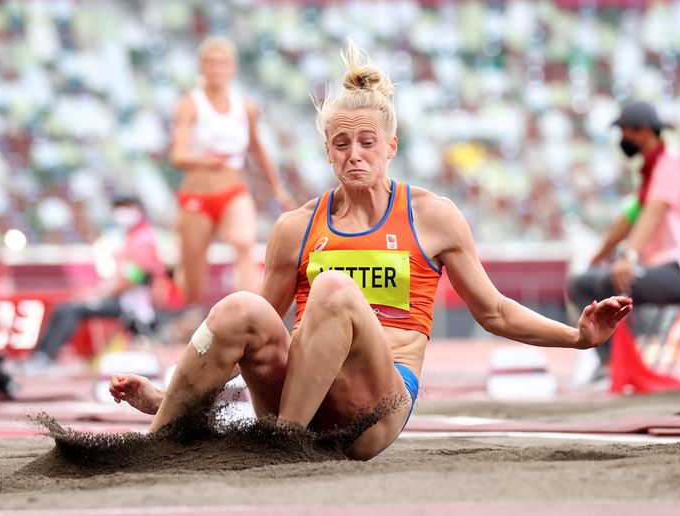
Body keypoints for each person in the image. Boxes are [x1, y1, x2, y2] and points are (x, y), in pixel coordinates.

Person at [111, 41, 632, 460]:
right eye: (341, 144)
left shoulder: (432, 216)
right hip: (300, 398)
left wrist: (578, 339)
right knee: (239, 307)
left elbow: (494, 312)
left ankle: (280, 447)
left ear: (391, 146)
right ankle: (161, 433)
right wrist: (176, 393)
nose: (354, 155)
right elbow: (253, 342)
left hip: (374, 409)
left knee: (335, 289)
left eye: (366, 142)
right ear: (327, 152)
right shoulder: (296, 227)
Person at [568, 100, 680, 370]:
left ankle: (622, 366)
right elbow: (627, 221)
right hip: (659, 269)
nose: (622, 139)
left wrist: (628, 256)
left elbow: (653, 211)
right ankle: (611, 365)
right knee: (582, 283)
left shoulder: (672, 164)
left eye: (625, 131)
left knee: (608, 282)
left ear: (644, 131)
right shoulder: (649, 173)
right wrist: (597, 257)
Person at [170, 36, 293, 304]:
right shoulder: (191, 104)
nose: (217, 69)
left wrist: (277, 188)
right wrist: (205, 161)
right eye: (211, 63)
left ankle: (249, 311)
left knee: (244, 241)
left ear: (233, 68)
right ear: (202, 67)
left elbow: (258, 150)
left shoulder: (245, 107)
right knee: (194, 278)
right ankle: (188, 307)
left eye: (223, 63)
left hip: (232, 190)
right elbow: (178, 155)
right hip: (196, 196)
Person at [28, 195, 166, 366]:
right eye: (118, 206)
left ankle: (44, 358)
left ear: (138, 210)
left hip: (131, 304)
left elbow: (132, 280)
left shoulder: (143, 240)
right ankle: (39, 355)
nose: (121, 212)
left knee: (73, 310)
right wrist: (97, 293)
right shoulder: (130, 238)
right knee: (62, 308)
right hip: (118, 298)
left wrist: (101, 296)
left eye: (126, 206)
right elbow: (121, 276)